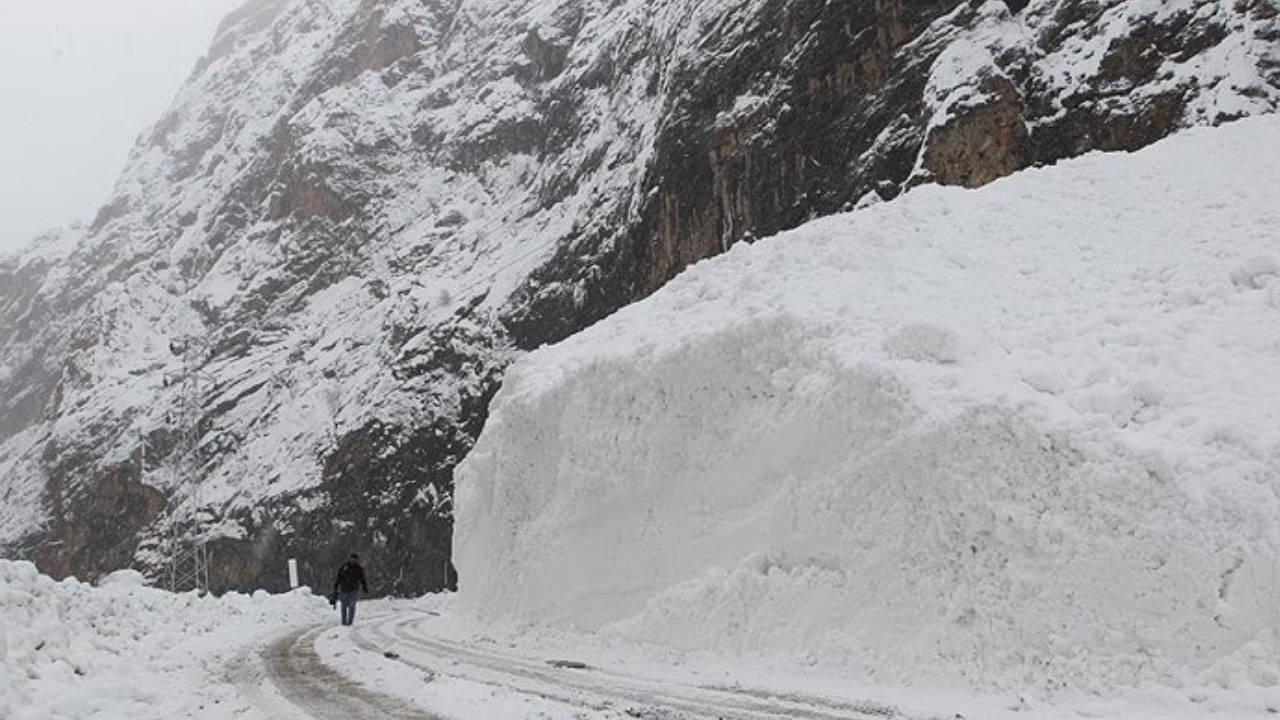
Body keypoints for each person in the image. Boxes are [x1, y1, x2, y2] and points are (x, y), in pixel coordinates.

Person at [331, 553, 369, 626]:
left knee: (352, 605)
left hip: (354, 590)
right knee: (344, 605)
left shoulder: (359, 568)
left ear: (357, 560)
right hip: (344, 589)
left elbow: (362, 579)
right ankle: (344, 621)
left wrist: (365, 588)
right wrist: (335, 586)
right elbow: (339, 577)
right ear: (349, 558)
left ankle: (350, 621)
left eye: (354, 559)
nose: (353, 560)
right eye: (352, 558)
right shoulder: (344, 567)